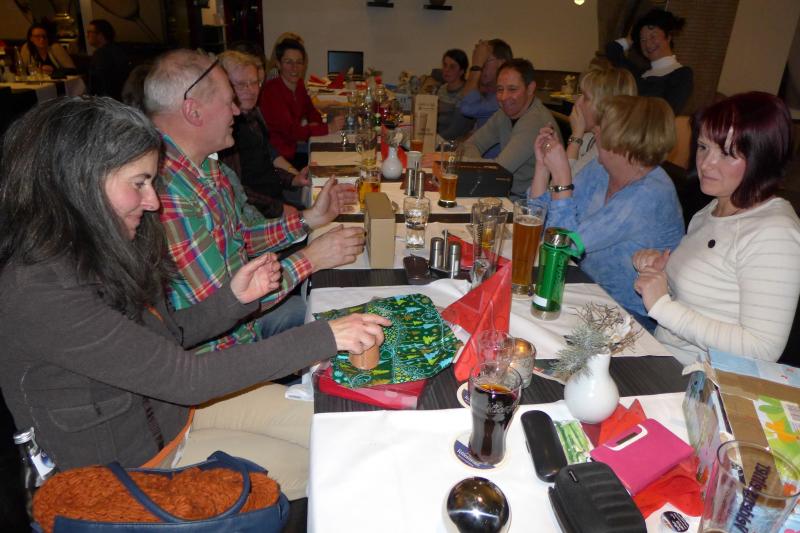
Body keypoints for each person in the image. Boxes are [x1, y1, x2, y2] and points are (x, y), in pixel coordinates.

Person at [0, 96, 389, 500]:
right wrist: (326, 336)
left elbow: (168, 336)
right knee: (335, 461)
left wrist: (234, 300)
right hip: (129, 474)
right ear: (79, 183)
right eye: (139, 183)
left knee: (344, 428)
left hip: (175, 417)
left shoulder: (96, 249)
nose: (152, 202)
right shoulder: (41, 294)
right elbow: (188, 379)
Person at [144, 49, 362, 352]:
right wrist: (312, 258)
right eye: (228, 102)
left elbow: (240, 238)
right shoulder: (165, 194)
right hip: (220, 355)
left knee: (330, 307)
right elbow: (226, 306)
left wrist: (309, 219)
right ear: (194, 112)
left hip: (245, 327)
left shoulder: (206, 166)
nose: (237, 111)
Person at [634, 92, 800, 364]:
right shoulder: (711, 209)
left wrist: (662, 307)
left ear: (762, 158)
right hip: (665, 356)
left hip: (704, 380)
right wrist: (660, 275)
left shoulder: (775, 232)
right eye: (703, 147)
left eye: (726, 153)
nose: (706, 163)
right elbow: (703, 301)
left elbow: (763, 348)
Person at [530, 95, 684, 327]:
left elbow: (564, 245)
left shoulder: (650, 194)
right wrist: (542, 168)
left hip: (631, 317)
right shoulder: (602, 169)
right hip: (589, 293)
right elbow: (540, 223)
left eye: (604, 126)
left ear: (624, 140)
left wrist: (561, 177)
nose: (596, 129)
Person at [219, 50, 307, 218]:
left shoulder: (253, 115)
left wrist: (292, 179)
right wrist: (279, 209)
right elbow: (236, 191)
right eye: (241, 84)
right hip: (258, 216)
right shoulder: (226, 131)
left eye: (254, 83)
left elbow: (265, 166)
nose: (251, 90)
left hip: (275, 198)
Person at [463, 58, 560, 199]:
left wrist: (467, 164)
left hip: (527, 203)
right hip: (502, 193)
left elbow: (498, 171)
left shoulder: (535, 123)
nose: (504, 97)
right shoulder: (504, 113)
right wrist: (474, 166)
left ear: (530, 89)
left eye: (512, 89)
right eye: (500, 90)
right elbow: (471, 144)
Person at [260, 38, 344, 168]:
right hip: (280, 158)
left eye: (299, 62)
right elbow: (292, 131)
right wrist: (328, 128)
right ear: (278, 64)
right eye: (288, 62)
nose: (294, 67)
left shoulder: (298, 85)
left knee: (336, 153)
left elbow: (311, 111)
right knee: (331, 162)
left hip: (294, 147)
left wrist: (316, 124)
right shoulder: (272, 92)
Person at [606, 9, 693, 114]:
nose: (647, 44)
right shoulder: (639, 73)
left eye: (653, 36)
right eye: (643, 39)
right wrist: (630, 39)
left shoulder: (681, 74)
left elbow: (667, 113)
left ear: (668, 37)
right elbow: (612, 50)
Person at [564, 67, 637, 177]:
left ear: (605, 105)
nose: (577, 102)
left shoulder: (612, 152)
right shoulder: (589, 138)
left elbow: (563, 183)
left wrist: (575, 138)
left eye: (586, 98)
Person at [459, 38, 513, 157]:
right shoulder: (489, 94)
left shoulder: (505, 98)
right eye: (480, 61)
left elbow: (466, 108)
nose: (482, 67)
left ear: (502, 64)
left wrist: (476, 66)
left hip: (496, 164)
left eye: (485, 60)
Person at [86, 19, 130, 100]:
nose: (87, 35)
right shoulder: (118, 49)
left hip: (107, 100)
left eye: (89, 32)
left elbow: (97, 84)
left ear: (100, 35)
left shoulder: (100, 55)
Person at [436, 48, 474, 141]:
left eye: (452, 67)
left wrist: (432, 140)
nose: (446, 70)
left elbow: (455, 130)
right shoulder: (442, 89)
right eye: (445, 65)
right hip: (437, 138)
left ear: (462, 71)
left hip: (453, 142)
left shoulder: (466, 92)